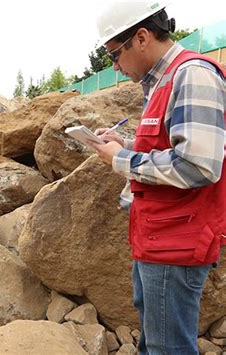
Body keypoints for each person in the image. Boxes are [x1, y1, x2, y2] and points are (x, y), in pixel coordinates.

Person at [89, 2, 225, 354]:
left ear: (142, 37)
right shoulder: (162, 81)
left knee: (169, 347)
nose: (115, 67)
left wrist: (122, 159)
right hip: (157, 235)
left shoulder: (193, 74)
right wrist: (127, 144)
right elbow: (169, 145)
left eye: (115, 55)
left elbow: (198, 164)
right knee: (156, 337)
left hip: (177, 241)